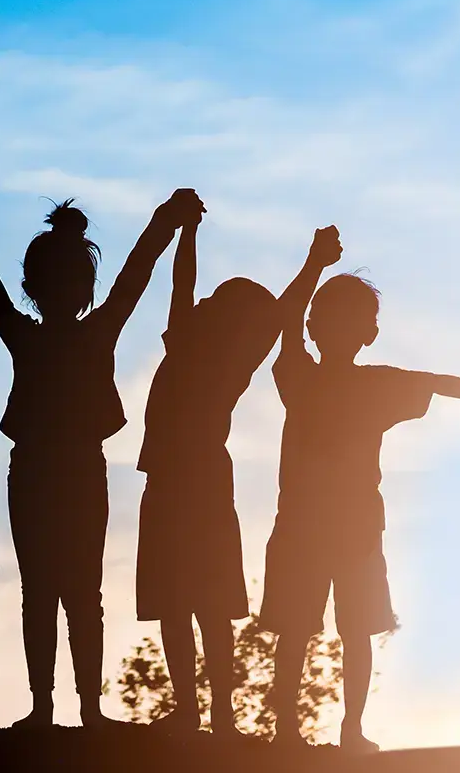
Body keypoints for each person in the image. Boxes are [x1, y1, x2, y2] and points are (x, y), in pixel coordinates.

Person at [0, 189, 204, 728]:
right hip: (67, 471)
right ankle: (67, 707)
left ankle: (64, 707)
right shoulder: (87, 330)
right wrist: (165, 219)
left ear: (34, 285)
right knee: (67, 592)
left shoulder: (34, 333)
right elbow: (136, 271)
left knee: (51, 592)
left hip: (55, 471)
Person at [258, 238, 460, 753]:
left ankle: (347, 729)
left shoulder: (363, 384)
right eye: (325, 318)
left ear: (368, 333)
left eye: (345, 320)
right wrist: (312, 266)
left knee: (352, 631)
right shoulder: (301, 376)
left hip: (352, 530)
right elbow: (286, 323)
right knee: (301, 631)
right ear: (316, 325)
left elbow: (437, 381)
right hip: (307, 528)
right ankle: (291, 728)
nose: (330, 328)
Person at [133, 218, 342, 738]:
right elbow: (192, 285)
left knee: (195, 603)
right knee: (182, 603)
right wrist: (188, 236)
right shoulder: (200, 346)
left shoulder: (211, 351)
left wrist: (314, 263)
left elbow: (278, 308)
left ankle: (211, 714)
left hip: (188, 480)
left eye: (214, 300)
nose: (200, 302)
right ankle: (202, 713)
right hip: (179, 480)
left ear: (223, 317)